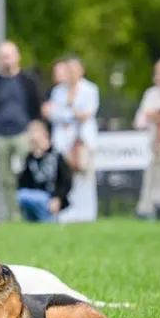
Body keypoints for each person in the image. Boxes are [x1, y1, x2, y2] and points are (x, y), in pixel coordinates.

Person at [0, 41, 42, 221]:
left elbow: (36, 107)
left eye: (9, 56)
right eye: (2, 57)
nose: (6, 60)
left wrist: (36, 130)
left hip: (23, 134)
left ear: (17, 57)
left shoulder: (27, 81)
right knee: (5, 178)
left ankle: (30, 212)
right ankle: (12, 214)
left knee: (26, 172)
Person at [43, 56, 98, 222]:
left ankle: (87, 213)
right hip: (62, 142)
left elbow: (86, 113)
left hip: (82, 141)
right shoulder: (58, 91)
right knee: (65, 177)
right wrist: (70, 114)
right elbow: (51, 113)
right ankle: (68, 212)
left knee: (84, 176)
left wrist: (64, 114)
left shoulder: (90, 89)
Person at [17, 120, 72, 223]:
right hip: (34, 196)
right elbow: (23, 183)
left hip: (50, 198)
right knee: (21, 195)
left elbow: (66, 181)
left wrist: (58, 198)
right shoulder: (30, 158)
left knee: (32, 198)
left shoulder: (56, 156)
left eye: (34, 132)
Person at [134, 59, 160, 217]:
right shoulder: (150, 94)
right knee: (152, 178)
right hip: (154, 145)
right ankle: (147, 210)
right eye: (158, 73)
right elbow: (140, 120)